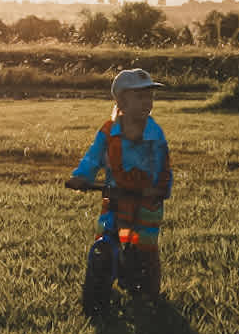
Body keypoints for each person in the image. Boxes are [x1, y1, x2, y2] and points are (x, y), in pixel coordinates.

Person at [65, 68, 173, 299]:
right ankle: (102, 279)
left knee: (144, 245)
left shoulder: (154, 133)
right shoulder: (108, 131)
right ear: (121, 100)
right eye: (140, 96)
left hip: (146, 200)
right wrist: (82, 176)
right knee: (107, 233)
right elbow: (93, 156)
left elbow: (163, 164)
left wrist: (159, 188)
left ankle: (149, 289)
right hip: (115, 196)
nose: (147, 102)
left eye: (150, 97)